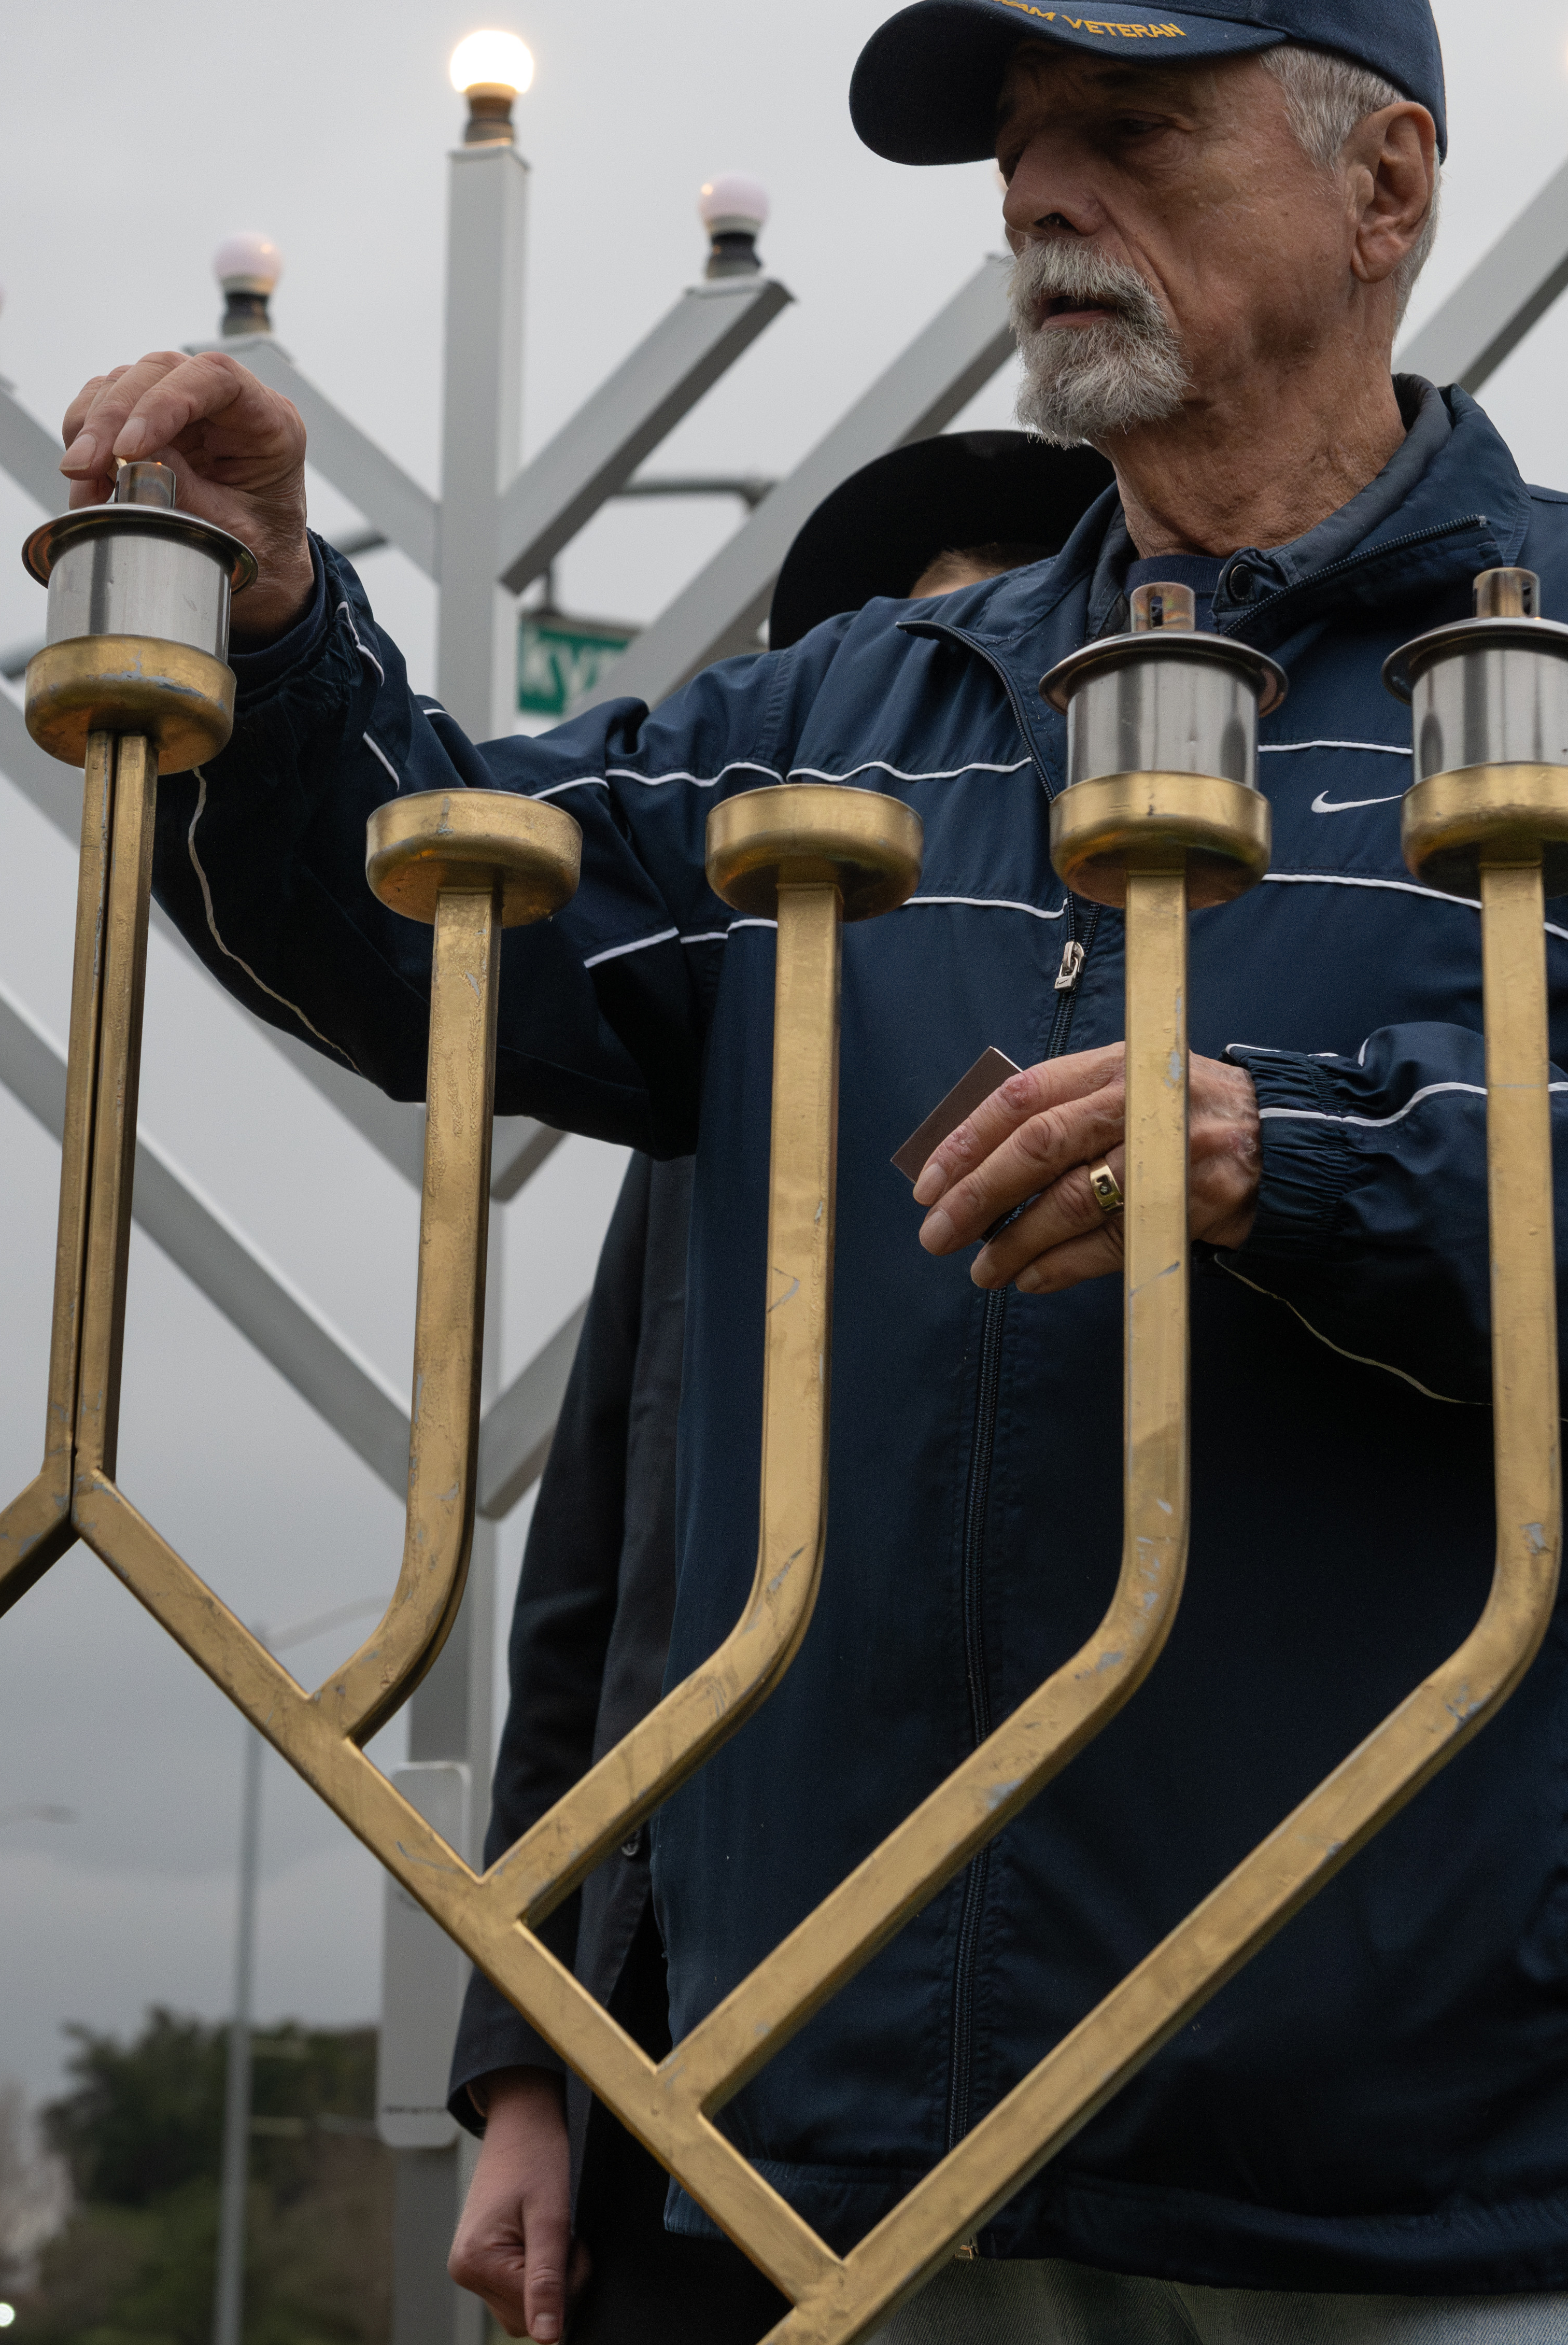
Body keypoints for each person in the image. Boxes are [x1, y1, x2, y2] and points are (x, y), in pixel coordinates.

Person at [58, 0, 1568, 2344]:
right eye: (1019, 146)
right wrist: (271, 642)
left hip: (1487, 2187)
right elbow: (443, 915)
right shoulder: (854, 733)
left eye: (1134, 130)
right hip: (874, 2177)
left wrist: (1315, 1164)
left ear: (1388, 183)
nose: (1042, 195)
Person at [450, 432, 1118, 2345]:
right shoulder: (718, 1114)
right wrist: (528, 2067)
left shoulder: (1200, 1085)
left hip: (1084, 1983)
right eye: (904, 679)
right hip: (699, 2006)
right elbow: (595, 1600)